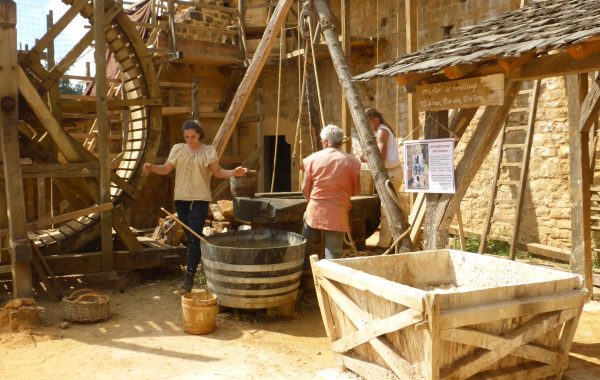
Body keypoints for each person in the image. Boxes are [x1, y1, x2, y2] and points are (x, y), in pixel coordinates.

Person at [143, 119, 247, 292]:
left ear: (199, 135)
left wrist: (233, 173)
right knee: (191, 237)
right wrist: (152, 167)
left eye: (192, 137)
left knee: (194, 236)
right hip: (181, 198)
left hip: (200, 198)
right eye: (187, 137)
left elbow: (218, 172)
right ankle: (198, 271)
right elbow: (166, 169)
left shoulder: (208, 151)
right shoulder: (177, 148)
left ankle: (189, 278)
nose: (189, 140)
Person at [302, 124, 360, 259]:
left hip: (314, 212)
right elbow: (356, 191)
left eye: (322, 141)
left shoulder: (311, 159)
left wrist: (312, 202)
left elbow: (305, 189)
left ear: (326, 142)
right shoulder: (353, 162)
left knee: (306, 250)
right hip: (338, 213)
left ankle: (307, 278)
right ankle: (329, 280)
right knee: (333, 253)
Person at [365, 107, 410, 247]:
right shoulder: (382, 130)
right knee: (393, 206)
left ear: (375, 119)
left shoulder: (382, 131)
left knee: (386, 209)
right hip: (393, 172)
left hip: (390, 174)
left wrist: (366, 158)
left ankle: (384, 245)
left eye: (368, 122)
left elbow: (380, 156)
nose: (368, 126)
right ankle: (398, 239)